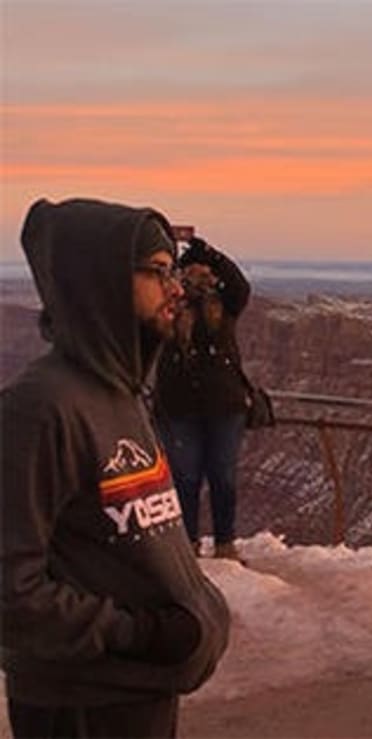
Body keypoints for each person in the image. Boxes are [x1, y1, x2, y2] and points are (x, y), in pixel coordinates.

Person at [2, 198, 232, 737]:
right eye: (156, 271)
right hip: (82, 706)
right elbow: (12, 588)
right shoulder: (39, 409)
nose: (175, 288)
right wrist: (136, 634)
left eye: (173, 270)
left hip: (136, 692)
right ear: (100, 282)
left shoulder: (121, 392)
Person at [152, 234, 253, 561]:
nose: (198, 274)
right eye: (190, 269)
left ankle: (225, 544)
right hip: (179, 407)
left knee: (222, 476)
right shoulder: (168, 306)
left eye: (203, 269)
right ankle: (187, 546)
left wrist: (211, 252)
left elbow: (240, 286)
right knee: (185, 478)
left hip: (224, 406)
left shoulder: (224, 304)